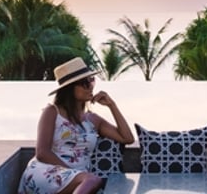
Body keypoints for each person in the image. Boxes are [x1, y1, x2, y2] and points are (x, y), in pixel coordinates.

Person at [20, 57, 134, 194]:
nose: (91, 86)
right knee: (94, 181)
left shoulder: (93, 120)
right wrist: (72, 173)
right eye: (85, 83)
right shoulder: (52, 112)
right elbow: (42, 153)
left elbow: (127, 138)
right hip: (47, 171)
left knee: (94, 183)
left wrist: (112, 105)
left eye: (91, 80)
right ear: (70, 88)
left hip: (80, 182)